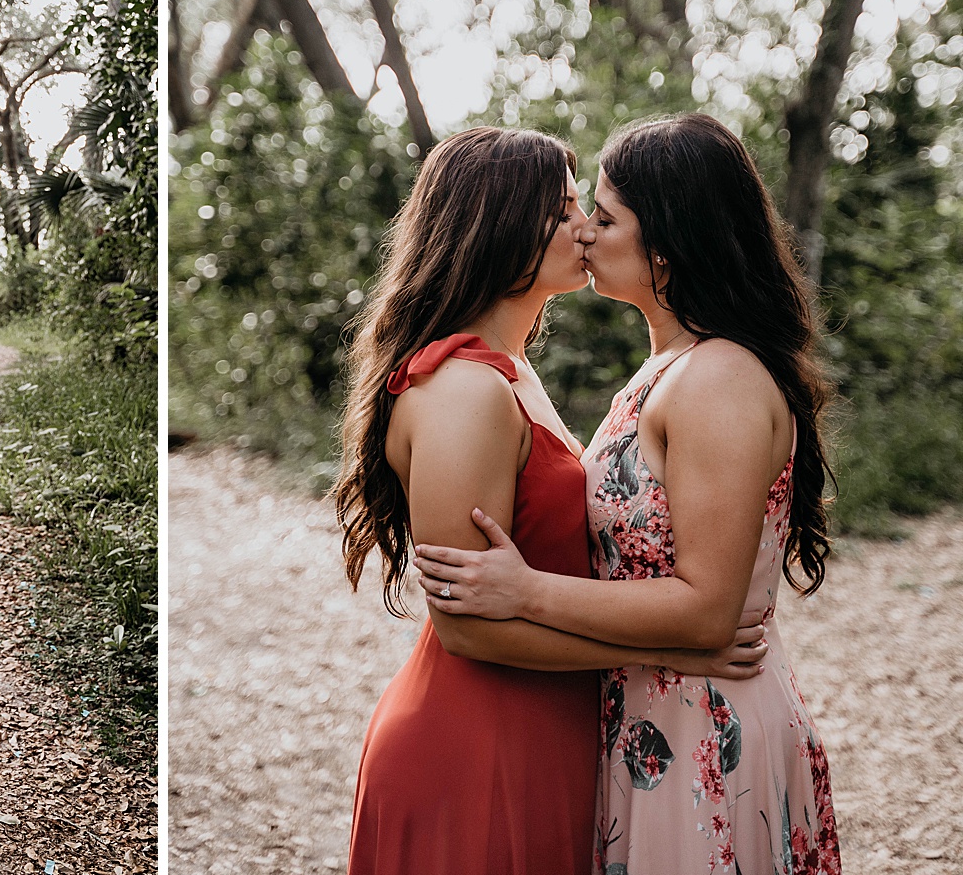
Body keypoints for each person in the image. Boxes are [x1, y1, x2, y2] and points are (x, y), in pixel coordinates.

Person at [412, 113, 839, 874]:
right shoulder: (665, 370)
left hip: (709, 724)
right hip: (653, 717)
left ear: (666, 250)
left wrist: (525, 590)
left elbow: (709, 606)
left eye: (603, 217)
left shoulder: (719, 377)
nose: (584, 232)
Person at [336, 126, 767, 875]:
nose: (584, 227)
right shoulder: (463, 389)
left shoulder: (510, 369)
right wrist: (667, 648)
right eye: (564, 209)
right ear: (500, 225)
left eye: (589, 209)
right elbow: (468, 629)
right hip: (479, 739)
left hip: (548, 722)